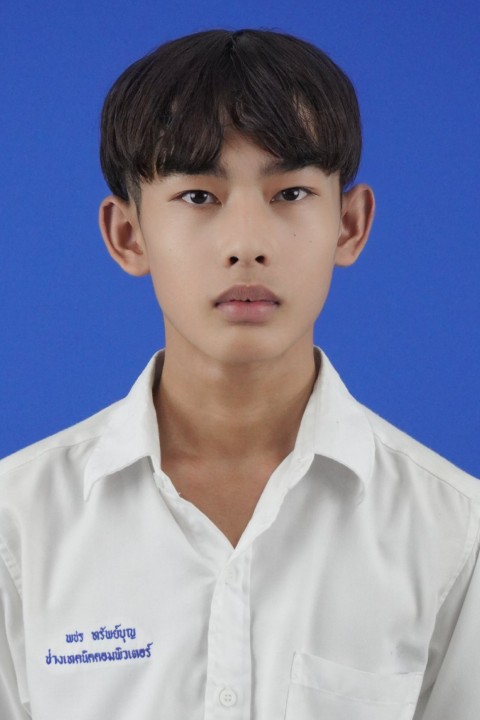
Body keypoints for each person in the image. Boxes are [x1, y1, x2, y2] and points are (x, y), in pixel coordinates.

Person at [0, 28, 478, 720]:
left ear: (349, 224)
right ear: (127, 234)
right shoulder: (17, 525)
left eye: (291, 193)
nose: (247, 245)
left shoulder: (455, 533)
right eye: (199, 196)